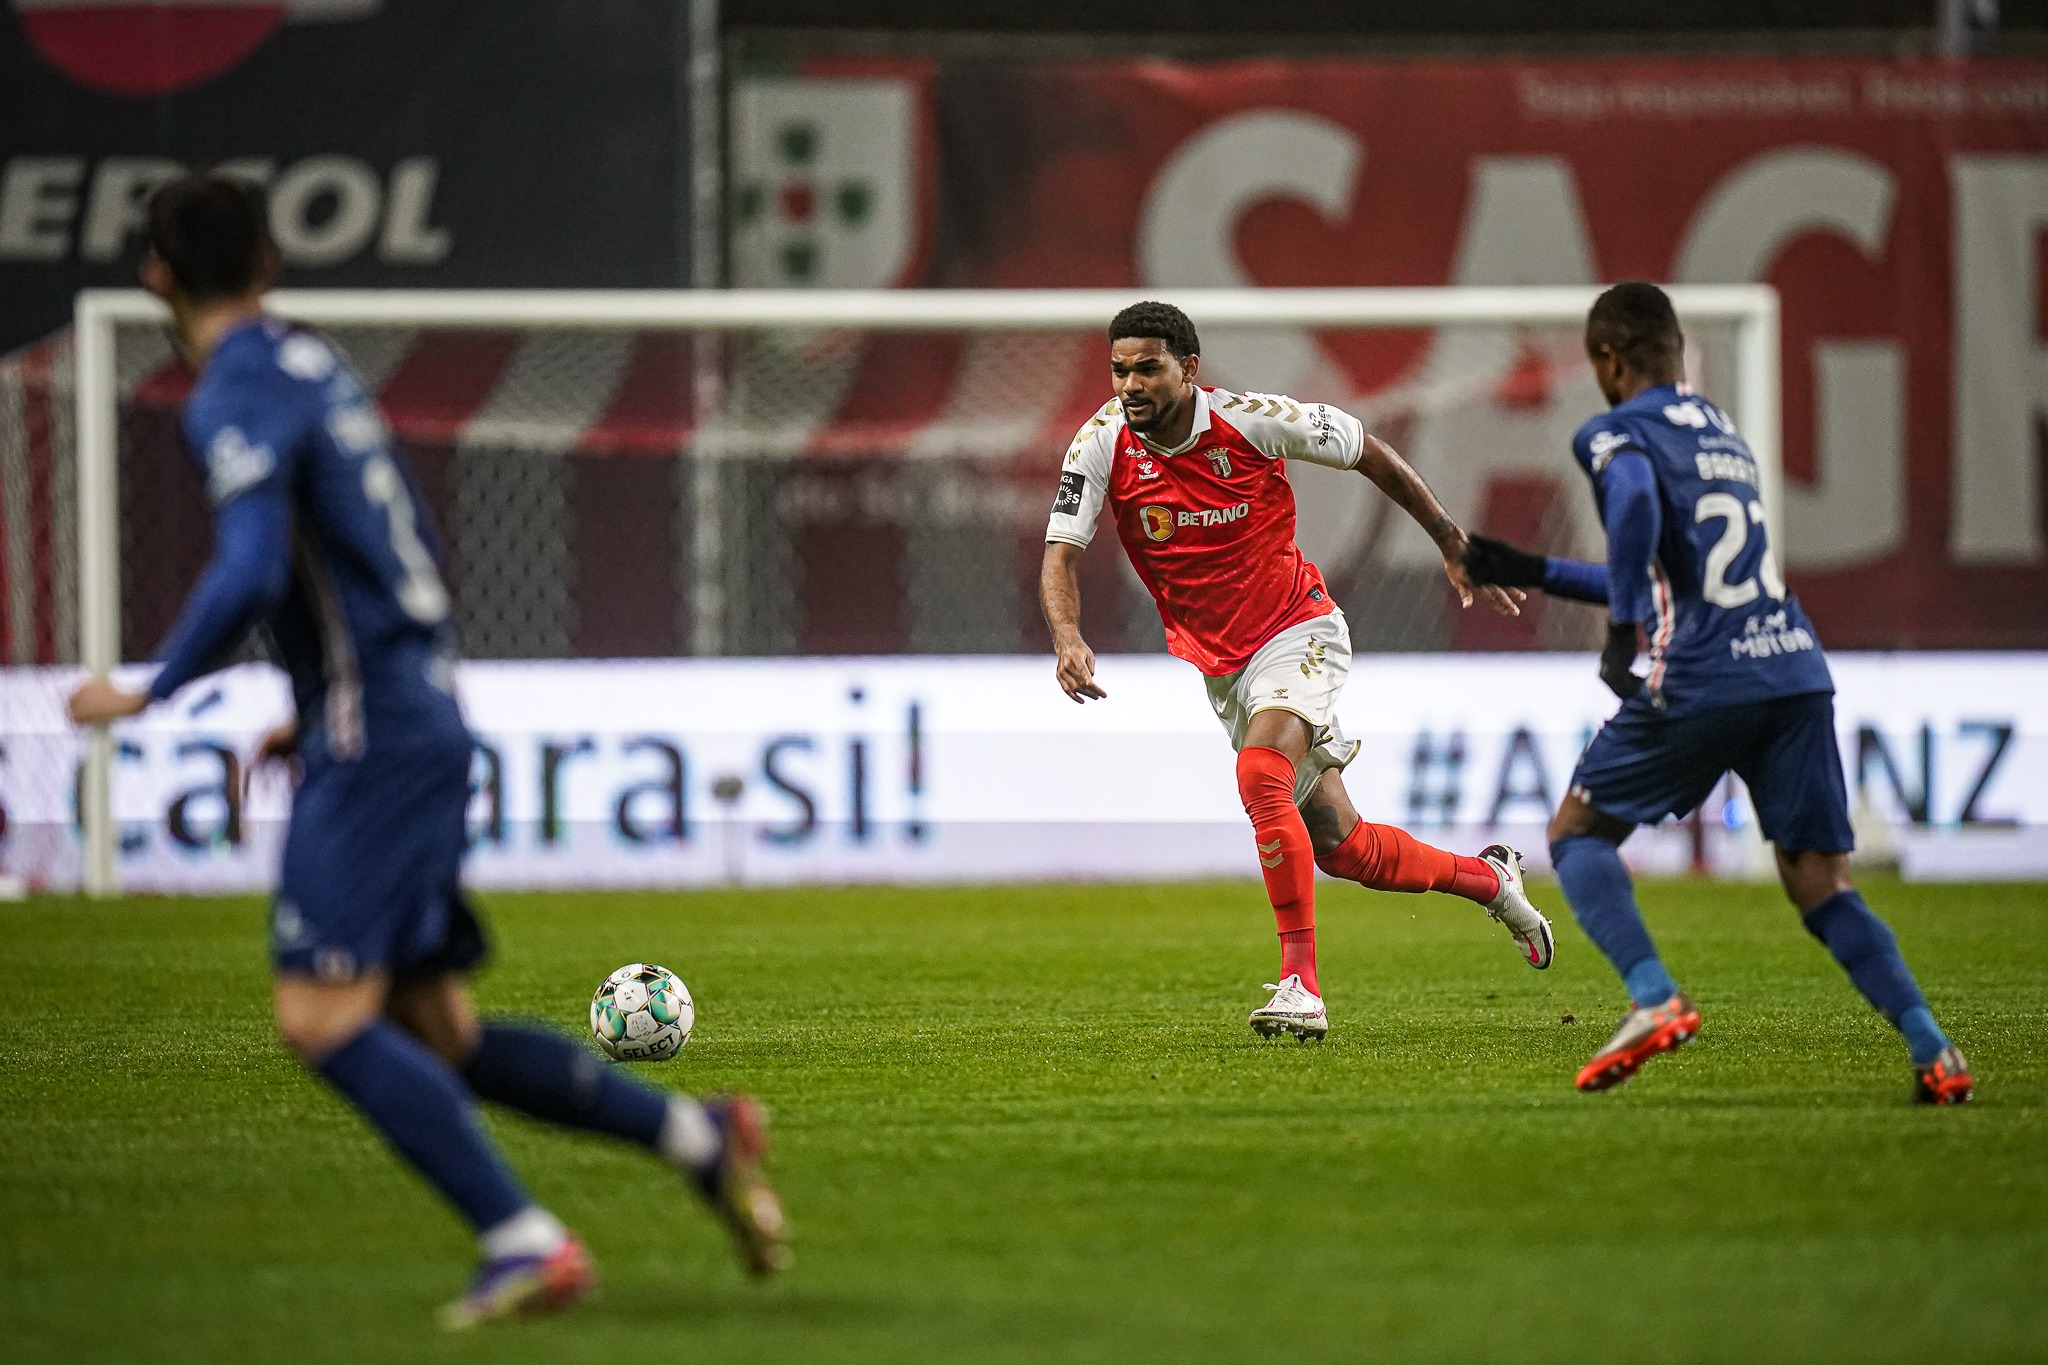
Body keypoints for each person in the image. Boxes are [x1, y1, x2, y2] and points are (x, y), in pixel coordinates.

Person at [66, 173, 789, 1327]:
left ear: (157, 276)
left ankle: (525, 1241)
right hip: (409, 704)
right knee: (433, 1030)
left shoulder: (236, 387)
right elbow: (392, 543)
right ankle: (692, 1136)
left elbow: (251, 569)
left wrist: (151, 686)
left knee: (319, 1020)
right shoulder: (314, 366)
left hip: (378, 728)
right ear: (270, 263)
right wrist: (331, 689)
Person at [1461, 280, 1972, 1104]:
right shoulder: (1723, 436)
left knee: (1579, 833)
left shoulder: (1615, 431)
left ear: (1610, 361)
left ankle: (1654, 995)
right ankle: (1933, 1048)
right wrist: (1533, 569)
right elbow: (1682, 574)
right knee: (1820, 880)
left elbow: (1633, 506)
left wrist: (1622, 634)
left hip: (1706, 673)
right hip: (1794, 668)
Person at [1040, 301, 1556, 1042]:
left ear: (1189, 368)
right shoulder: (1100, 442)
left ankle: (1300, 987)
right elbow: (1061, 553)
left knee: (1260, 775)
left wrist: (1452, 540)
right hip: (1224, 668)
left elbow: (1367, 448)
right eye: (1120, 370)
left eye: (1148, 368)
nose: (1130, 385)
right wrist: (1067, 636)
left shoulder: (1251, 421)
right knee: (1346, 848)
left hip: (1298, 630)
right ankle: (1491, 881)